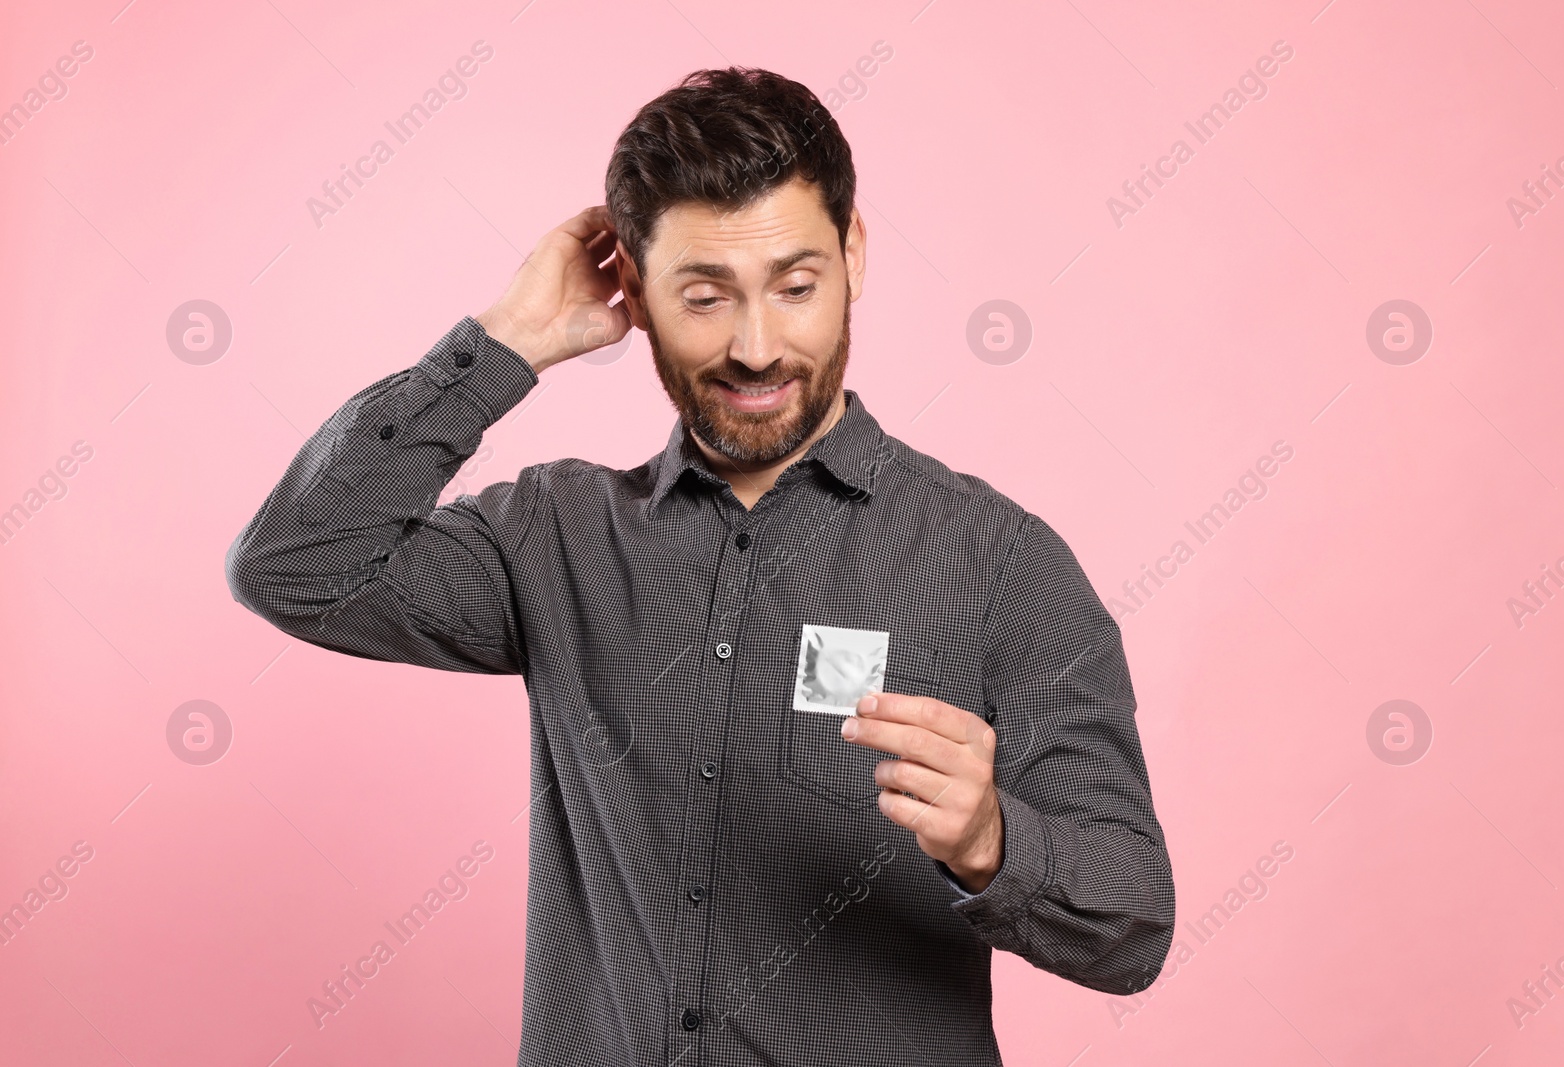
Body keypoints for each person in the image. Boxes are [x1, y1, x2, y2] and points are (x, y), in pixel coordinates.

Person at [226, 66, 1174, 1066]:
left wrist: (991, 838)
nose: (756, 346)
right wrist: (504, 345)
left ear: (853, 255)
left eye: (796, 286)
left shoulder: (998, 562)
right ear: (631, 287)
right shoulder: (554, 534)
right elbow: (297, 563)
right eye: (704, 295)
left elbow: (1132, 930)